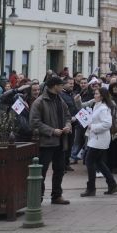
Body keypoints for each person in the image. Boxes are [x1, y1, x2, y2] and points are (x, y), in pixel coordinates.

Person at [29, 76, 72, 204]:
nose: (63, 87)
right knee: (42, 171)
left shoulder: (60, 100)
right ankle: (38, 197)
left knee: (59, 169)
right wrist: (51, 131)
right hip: (46, 143)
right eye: (61, 85)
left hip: (60, 142)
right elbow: (34, 122)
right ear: (54, 86)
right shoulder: (40, 102)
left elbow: (68, 116)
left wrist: (68, 126)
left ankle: (57, 195)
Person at [80, 86, 117, 197]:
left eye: (96, 94)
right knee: (98, 162)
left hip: (99, 138)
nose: (94, 95)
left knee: (89, 161)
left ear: (102, 96)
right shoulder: (98, 105)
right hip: (96, 138)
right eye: (95, 93)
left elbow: (107, 123)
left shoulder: (103, 108)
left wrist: (93, 126)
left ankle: (91, 188)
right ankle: (112, 184)